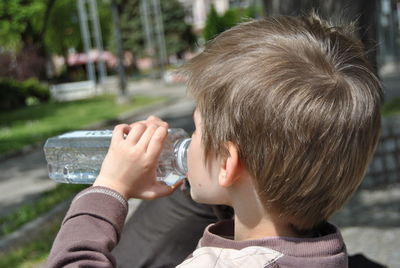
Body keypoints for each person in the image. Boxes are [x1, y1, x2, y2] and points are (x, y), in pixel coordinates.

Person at [47, 13, 382, 267]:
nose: (188, 143)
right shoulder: (324, 253)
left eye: (196, 131)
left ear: (226, 162)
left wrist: (109, 189)